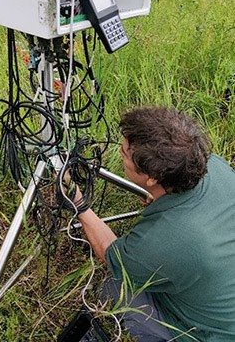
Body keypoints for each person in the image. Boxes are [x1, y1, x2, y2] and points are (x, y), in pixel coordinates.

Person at [73, 106, 235, 342]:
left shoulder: (161, 241)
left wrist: (79, 204)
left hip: (212, 335)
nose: (120, 153)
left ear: (152, 178)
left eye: (125, 153)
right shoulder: (215, 167)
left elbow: (111, 254)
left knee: (114, 288)